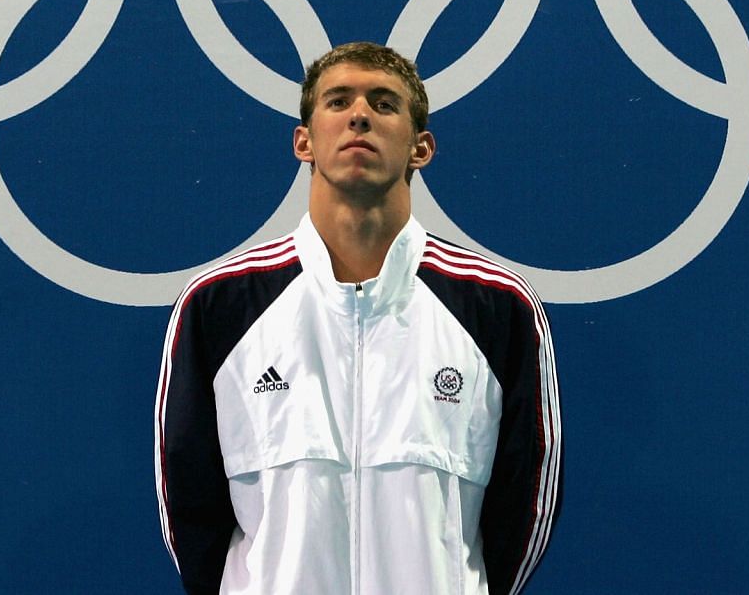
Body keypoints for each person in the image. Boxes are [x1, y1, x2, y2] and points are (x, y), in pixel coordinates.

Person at [154, 42, 562, 595]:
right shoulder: (219, 304)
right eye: (338, 101)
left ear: (421, 148)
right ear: (304, 142)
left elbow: (527, 506)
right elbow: (188, 505)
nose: (360, 115)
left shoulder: (498, 306)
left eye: (385, 104)